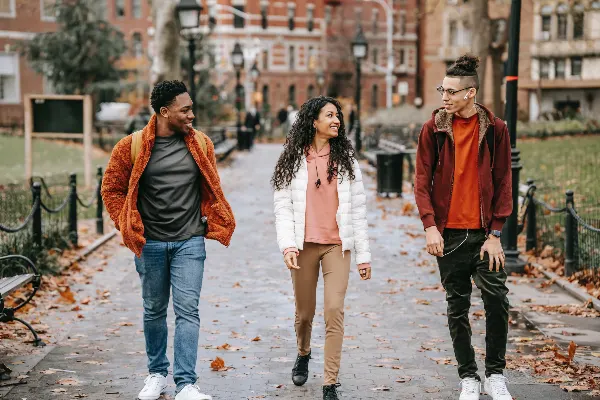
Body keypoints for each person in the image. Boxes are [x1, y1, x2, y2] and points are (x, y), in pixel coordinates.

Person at [101, 80, 236, 400]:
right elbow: (111, 189)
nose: (192, 114)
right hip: (149, 243)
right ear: (164, 112)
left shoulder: (201, 144)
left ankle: (187, 383)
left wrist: (212, 220)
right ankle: (157, 374)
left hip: (190, 241)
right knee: (154, 310)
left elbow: (211, 188)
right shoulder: (130, 146)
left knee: (188, 310)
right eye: (185, 109)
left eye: (192, 108)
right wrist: (128, 224)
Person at [414, 55, 513, 400]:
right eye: (443, 89)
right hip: (450, 236)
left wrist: (496, 234)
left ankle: (496, 375)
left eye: (451, 91)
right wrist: (429, 226)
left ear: (471, 93)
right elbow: (421, 181)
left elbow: (503, 182)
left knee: (497, 300)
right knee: (457, 307)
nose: (444, 96)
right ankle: (469, 376)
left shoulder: (496, 130)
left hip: (485, 236)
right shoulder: (434, 130)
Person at [272, 96, 372, 400]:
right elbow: (282, 206)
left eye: (338, 115)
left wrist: (363, 256)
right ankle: (303, 352)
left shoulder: (346, 161)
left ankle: (330, 381)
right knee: (304, 313)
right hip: (303, 246)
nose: (336, 120)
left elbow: (358, 210)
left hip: (337, 247)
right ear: (313, 121)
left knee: (333, 310)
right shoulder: (291, 158)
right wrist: (288, 245)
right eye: (329, 115)